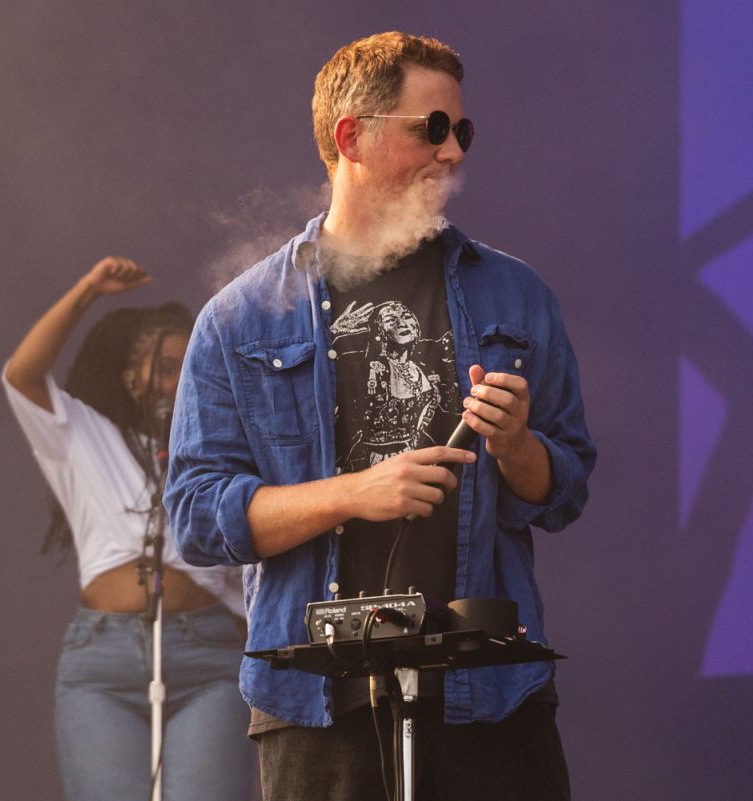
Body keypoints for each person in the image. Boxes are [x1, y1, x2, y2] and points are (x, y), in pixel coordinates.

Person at [165, 32, 596, 801]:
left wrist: (518, 443)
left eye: (462, 131)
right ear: (349, 136)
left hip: (489, 697)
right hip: (319, 706)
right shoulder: (240, 318)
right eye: (431, 128)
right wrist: (353, 493)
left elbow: (563, 490)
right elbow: (197, 516)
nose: (454, 152)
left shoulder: (516, 294)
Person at [2, 258, 254, 801]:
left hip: (207, 660)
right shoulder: (83, 434)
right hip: (102, 663)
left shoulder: (224, 454)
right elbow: (21, 375)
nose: (178, 380)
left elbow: (245, 574)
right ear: (129, 374)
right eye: (165, 366)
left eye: (190, 369)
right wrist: (88, 289)